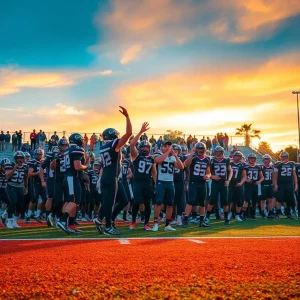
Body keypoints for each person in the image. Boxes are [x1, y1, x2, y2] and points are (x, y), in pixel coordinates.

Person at [93, 106, 132, 235]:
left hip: (109, 176)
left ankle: (101, 219)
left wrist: (100, 179)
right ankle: (108, 226)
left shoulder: (103, 146)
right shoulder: (113, 145)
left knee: (124, 200)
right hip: (111, 177)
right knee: (109, 203)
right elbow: (128, 134)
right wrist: (127, 117)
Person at [57, 133, 90, 233]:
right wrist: (86, 165)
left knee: (70, 201)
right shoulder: (77, 149)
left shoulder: (67, 150)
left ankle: (70, 224)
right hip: (72, 178)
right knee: (74, 201)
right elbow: (77, 166)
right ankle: (63, 221)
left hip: (68, 177)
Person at [152, 140, 184, 231]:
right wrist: (167, 152)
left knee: (170, 204)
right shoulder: (158, 155)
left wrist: (175, 156)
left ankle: (167, 225)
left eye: (169, 146)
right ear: (162, 147)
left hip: (170, 182)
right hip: (160, 182)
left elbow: (181, 167)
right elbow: (158, 160)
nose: (167, 148)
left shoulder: (172, 157)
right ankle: (156, 223)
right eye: (165, 146)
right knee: (158, 202)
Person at [129, 122, 156, 231]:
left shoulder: (152, 158)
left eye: (147, 147)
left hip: (148, 183)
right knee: (136, 202)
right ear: (140, 148)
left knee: (147, 204)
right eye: (143, 147)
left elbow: (154, 172)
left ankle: (146, 223)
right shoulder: (136, 156)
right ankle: (133, 221)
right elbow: (131, 144)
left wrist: (157, 183)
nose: (145, 149)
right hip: (137, 182)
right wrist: (140, 132)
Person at [182, 142, 211, 227]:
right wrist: (191, 153)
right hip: (193, 182)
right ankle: (185, 219)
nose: (200, 150)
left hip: (202, 183)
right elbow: (186, 164)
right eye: (199, 149)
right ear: (196, 149)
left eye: (201, 149)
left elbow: (209, 173)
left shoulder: (207, 159)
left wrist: (207, 176)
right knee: (190, 201)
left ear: (204, 150)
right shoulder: (193, 157)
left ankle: (202, 221)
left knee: (202, 202)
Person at [206, 146, 233, 225]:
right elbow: (207, 172)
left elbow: (231, 171)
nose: (217, 153)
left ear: (222, 152)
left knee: (225, 201)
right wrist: (213, 176)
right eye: (216, 151)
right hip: (215, 183)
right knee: (212, 200)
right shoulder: (211, 160)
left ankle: (226, 218)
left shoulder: (226, 160)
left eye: (219, 151)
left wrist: (228, 180)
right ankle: (207, 217)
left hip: (224, 183)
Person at [4, 151, 28, 229]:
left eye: (21, 158)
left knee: (20, 206)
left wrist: (26, 187)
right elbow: (7, 176)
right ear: (15, 159)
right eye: (18, 158)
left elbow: (25, 177)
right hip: (11, 186)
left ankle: (14, 221)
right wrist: (14, 169)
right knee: (13, 202)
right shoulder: (9, 165)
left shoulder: (25, 167)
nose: (20, 160)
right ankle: (9, 220)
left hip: (20, 187)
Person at [273, 152, 297, 219]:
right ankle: (278, 213)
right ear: (280, 157)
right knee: (279, 199)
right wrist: (275, 184)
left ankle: (288, 213)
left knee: (289, 199)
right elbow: (275, 176)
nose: (283, 158)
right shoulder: (278, 164)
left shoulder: (291, 164)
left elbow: (294, 175)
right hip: (281, 184)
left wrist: (296, 184)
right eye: (282, 156)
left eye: (285, 156)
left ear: (287, 157)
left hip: (289, 184)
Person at [242, 154, 264, 219]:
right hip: (248, 185)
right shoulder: (246, 167)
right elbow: (243, 176)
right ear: (248, 159)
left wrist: (259, 181)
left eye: (253, 158)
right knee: (247, 200)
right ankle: (244, 213)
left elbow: (262, 177)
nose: (252, 159)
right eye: (251, 158)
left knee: (254, 200)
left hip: (255, 185)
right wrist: (246, 180)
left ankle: (252, 214)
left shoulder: (258, 167)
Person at [228, 151, 246, 221]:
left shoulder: (242, 165)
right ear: (233, 156)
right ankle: (229, 213)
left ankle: (237, 215)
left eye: (239, 156)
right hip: (230, 184)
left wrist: (241, 183)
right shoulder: (229, 164)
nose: (238, 158)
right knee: (229, 200)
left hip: (238, 184)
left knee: (239, 200)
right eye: (237, 156)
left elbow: (244, 176)